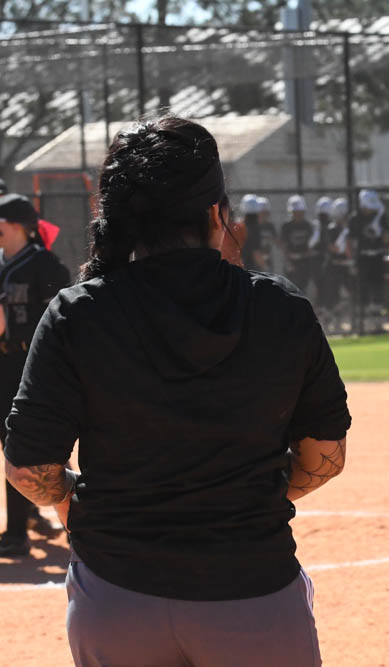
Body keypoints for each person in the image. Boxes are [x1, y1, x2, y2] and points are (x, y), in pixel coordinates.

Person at [2, 116, 351, 666]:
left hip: (117, 597)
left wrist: (79, 505)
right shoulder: (281, 309)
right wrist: (251, 501)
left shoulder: (79, 314)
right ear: (216, 212)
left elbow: (27, 469)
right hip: (254, 590)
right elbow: (325, 458)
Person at [0, 193, 70, 557]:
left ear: (15, 225)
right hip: (2, 363)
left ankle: (74, 520)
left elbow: (62, 320)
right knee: (11, 450)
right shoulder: (1, 263)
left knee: (41, 445)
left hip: (31, 365)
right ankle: (16, 531)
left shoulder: (44, 265)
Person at [348, 189, 389, 321]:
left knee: (377, 286)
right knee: (362, 287)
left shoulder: (380, 217)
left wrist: (381, 231)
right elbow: (350, 240)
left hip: (377, 256)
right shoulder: (356, 218)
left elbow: (387, 239)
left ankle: (376, 319)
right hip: (362, 257)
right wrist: (352, 260)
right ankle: (362, 320)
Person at [316, 196, 353, 331]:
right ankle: (327, 323)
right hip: (333, 267)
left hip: (345, 267)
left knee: (349, 294)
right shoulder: (331, 229)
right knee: (331, 296)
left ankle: (339, 319)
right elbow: (334, 248)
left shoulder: (348, 229)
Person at [280, 194, 315, 293]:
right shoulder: (287, 226)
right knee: (291, 288)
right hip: (292, 261)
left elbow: (311, 244)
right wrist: (288, 260)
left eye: (300, 212)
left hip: (305, 261)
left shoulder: (307, 225)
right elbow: (284, 244)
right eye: (296, 212)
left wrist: (307, 255)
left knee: (303, 287)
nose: (298, 214)